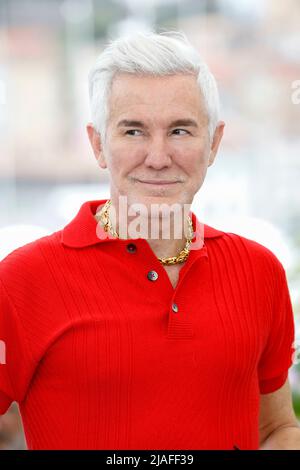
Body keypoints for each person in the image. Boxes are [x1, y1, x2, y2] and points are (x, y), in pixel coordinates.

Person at [0, 30, 299, 450]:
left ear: (213, 143)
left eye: (180, 131)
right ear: (98, 144)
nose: (158, 157)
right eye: (133, 131)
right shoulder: (21, 280)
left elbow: (276, 429)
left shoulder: (259, 271)